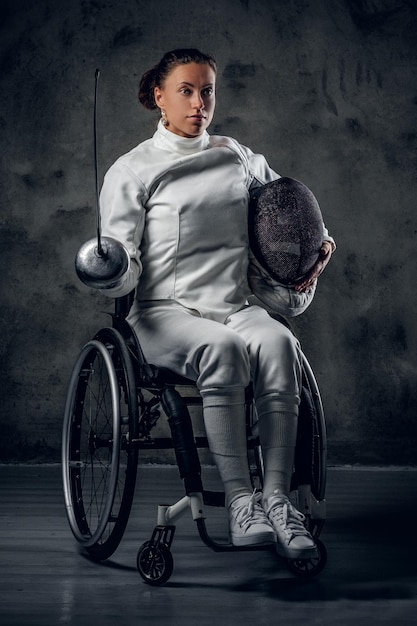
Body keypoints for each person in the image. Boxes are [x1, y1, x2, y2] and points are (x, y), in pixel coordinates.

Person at [98, 48, 335, 559]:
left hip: (231, 303)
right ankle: (240, 500)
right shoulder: (133, 170)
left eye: (207, 90)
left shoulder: (238, 156)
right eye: (185, 90)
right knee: (224, 349)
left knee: (278, 342)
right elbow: (122, 258)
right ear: (159, 97)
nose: (199, 101)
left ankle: (275, 499)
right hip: (163, 313)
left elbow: (288, 211)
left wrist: (316, 245)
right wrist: (111, 266)